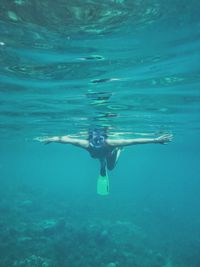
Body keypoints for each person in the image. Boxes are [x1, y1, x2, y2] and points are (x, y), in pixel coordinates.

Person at [35, 129, 173, 196]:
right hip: (99, 155)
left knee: (111, 167)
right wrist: (52, 138)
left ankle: (118, 152)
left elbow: (133, 141)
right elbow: (65, 140)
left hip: (110, 152)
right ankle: (102, 164)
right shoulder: (86, 144)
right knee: (101, 161)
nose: (96, 143)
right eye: (94, 142)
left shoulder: (110, 142)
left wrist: (156, 140)